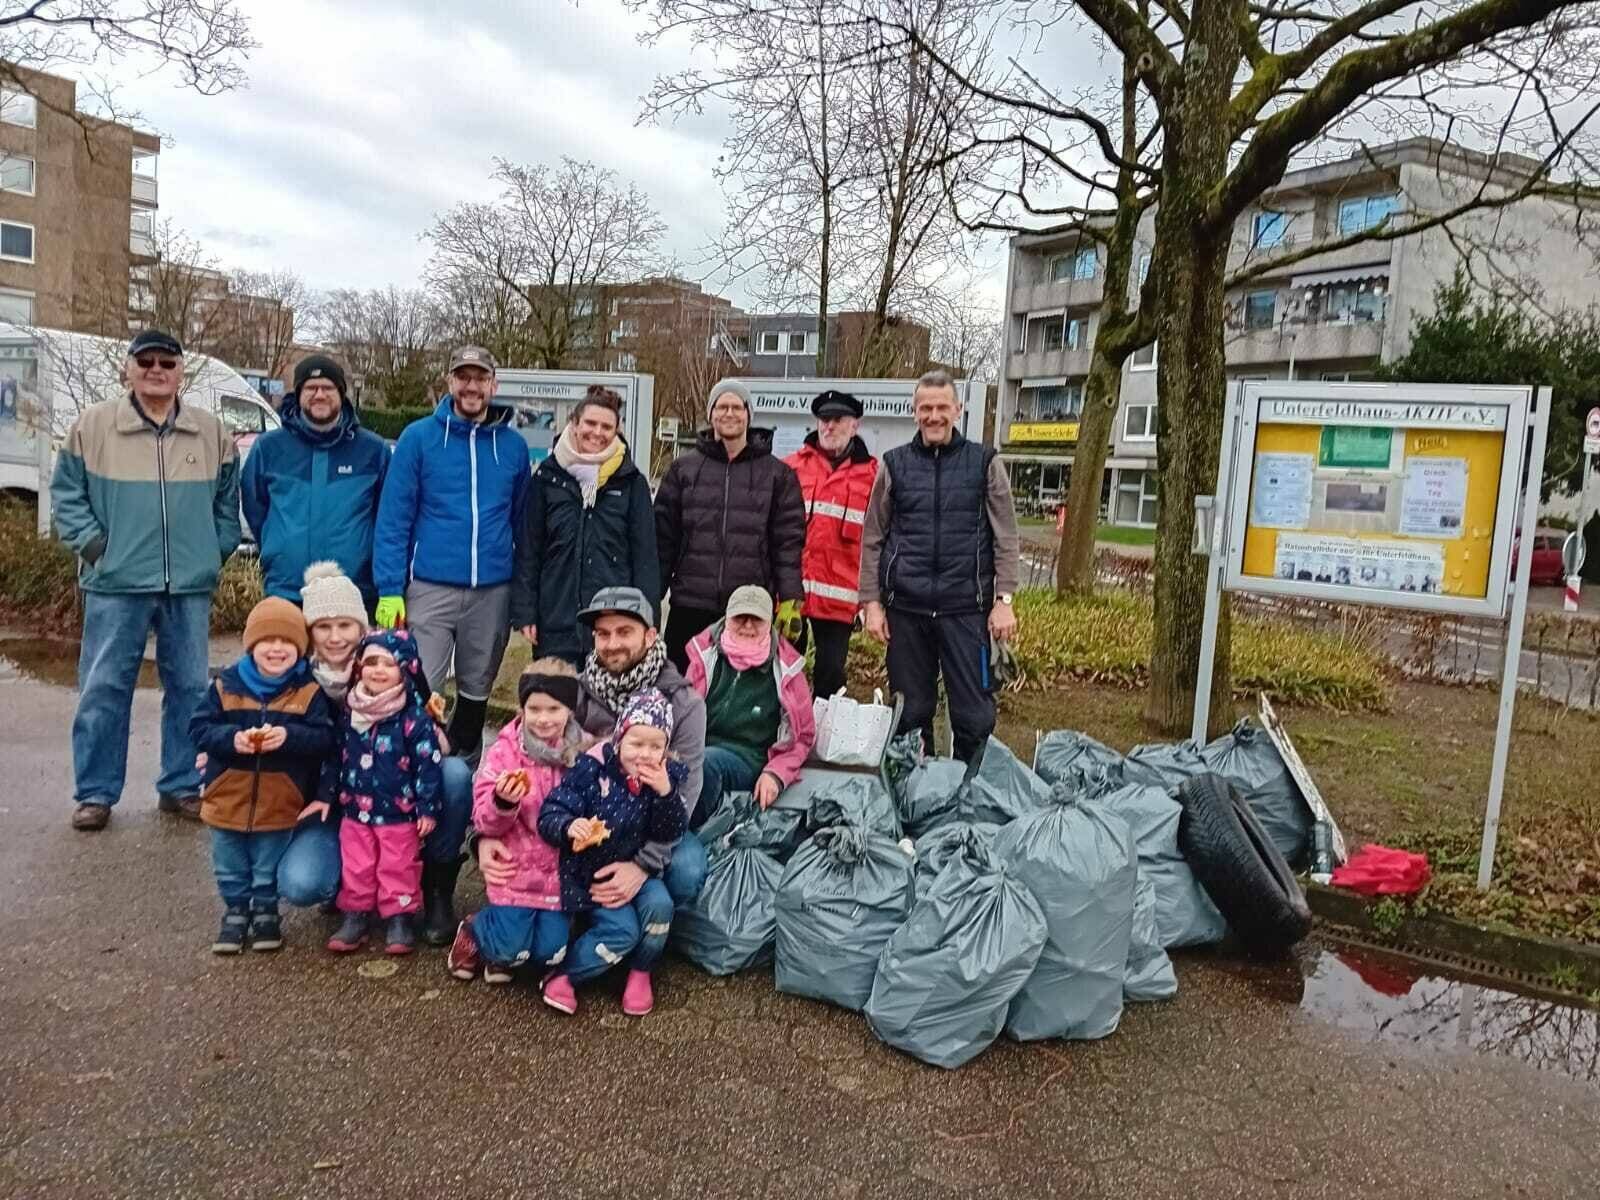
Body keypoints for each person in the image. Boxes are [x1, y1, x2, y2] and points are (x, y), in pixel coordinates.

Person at [50, 329, 242, 832]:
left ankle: (180, 784)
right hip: (115, 584)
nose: (157, 370)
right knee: (104, 688)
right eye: (146, 361)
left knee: (190, 689)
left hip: (188, 585)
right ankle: (95, 792)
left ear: (181, 372)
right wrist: (97, 549)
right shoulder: (93, 427)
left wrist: (215, 549)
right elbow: (66, 496)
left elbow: (228, 500)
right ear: (129, 368)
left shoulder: (210, 431)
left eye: (167, 363)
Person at [275, 562, 476, 947]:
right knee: (303, 882)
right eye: (323, 626)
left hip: (396, 798)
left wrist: (434, 740)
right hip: (332, 800)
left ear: (361, 627)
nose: (335, 637)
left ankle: (435, 887)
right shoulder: (296, 679)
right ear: (309, 632)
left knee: (451, 774)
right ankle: (349, 894)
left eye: (345, 625)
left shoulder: (389, 663)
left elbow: (428, 732)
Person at [475, 586, 709, 913]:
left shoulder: (684, 703)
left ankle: (650, 924)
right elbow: (518, 749)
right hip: (580, 824)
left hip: (653, 824)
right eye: (603, 633)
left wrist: (642, 865)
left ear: (651, 634)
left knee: (687, 872)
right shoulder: (576, 690)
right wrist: (483, 835)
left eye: (624, 632)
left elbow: (685, 792)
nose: (612, 644)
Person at [371, 345, 531, 759]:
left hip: (492, 590)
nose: (471, 386)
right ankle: (416, 773)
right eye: (464, 377)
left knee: (476, 693)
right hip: (430, 586)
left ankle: (465, 785)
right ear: (450, 382)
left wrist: (524, 594)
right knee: (420, 686)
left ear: (493, 385)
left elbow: (522, 523)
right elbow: (394, 519)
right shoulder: (418, 438)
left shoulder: (512, 447)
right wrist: (390, 587)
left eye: (480, 378)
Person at [859, 370, 1021, 765]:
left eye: (942, 407)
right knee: (910, 714)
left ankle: (972, 793)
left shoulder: (984, 463)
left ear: (957, 410)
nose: (933, 416)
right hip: (907, 612)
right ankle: (919, 789)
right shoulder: (894, 465)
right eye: (925, 408)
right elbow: (872, 536)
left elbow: (1006, 536)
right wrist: (872, 603)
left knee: (974, 715)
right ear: (914, 412)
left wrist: (1004, 600)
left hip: (967, 611)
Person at [190, 597, 339, 954]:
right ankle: (235, 913)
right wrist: (230, 740)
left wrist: (289, 738)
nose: (277, 649)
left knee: (267, 865)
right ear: (251, 645)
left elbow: (325, 738)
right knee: (229, 864)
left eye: (287, 642)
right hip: (226, 797)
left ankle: (267, 913)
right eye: (267, 641)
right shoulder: (225, 686)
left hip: (279, 800)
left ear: (300, 649)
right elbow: (199, 727)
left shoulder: (308, 692)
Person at [536, 688, 686, 1017]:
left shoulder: (665, 780)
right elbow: (551, 811)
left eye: (655, 746)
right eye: (636, 744)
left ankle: (641, 971)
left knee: (661, 906)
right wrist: (568, 826)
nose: (645, 754)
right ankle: (566, 976)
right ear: (619, 739)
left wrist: (665, 794)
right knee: (623, 931)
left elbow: (672, 832)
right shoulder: (593, 770)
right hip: (593, 872)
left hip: (639, 868)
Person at [449, 660, 592, 985]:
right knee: (511, 951)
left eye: (553, 708)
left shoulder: (584, 753)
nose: (543, 719)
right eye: (534, 708)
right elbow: (483, 817)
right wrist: (503, 802)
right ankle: (476, 930)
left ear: (569, 709)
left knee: (551, 953)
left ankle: (511, 941)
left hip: (558, 876)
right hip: (516, 869)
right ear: (522, 708)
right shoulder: (505, 753)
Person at [654, 379, 805, 669]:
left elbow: (787, 543)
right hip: (690, 602)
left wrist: (790, 598)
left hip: (748, 606)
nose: (729, 413)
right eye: (722, 406)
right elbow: (663, 539)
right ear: (711, 414)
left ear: (749, 415)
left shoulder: (778, 475)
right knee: (683, 687)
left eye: (737, 406)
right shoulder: (683, 470)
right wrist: (652, 597)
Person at [315, 629, 443, 956]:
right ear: (359, 666)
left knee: (397, 864)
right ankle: (355, 914)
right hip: (355, 808)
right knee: (357, 863)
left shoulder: (413, 717)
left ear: (405, 669)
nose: (378, 670)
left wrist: (427, 808)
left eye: (389, 663)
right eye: (371, 662)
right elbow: (335, 755)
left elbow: (428, 764)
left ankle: (399, 915)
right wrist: (329, 793)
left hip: (399, 812)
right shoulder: (350, 710)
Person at [511, 385, 658, 665]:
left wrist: (649, 621)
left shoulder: (631, 483)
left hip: (612, 624)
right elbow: (530, 549)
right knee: (556, 705)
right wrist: (525, 611)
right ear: (574, 424)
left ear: (617, 431)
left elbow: (645, 559)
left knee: (605, 707)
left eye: (607, 426)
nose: (598, 432)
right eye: (591, 423)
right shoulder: (547, 478)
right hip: (554, 620)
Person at [241, 354, 389, 610]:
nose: (319, 394)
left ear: (342, 393)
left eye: (328, 388)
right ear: (298, 393)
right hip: (286, 589)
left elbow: (386, 517)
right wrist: (278, 549)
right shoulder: (269, 448)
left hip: (352, 594)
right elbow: (255, 507)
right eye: (311, 387)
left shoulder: (373, 451)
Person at [683, 585, 816, 823]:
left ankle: (679, 833)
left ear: (770, 622)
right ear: (726, 618)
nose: (747, 625)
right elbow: (681, 713)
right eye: (739, 618)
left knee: (707, 763)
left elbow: (803, 737)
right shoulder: (705, 656)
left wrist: (777, 773)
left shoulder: (788, 671)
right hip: (695, 750)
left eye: (756, 619)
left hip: (748, 760)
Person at [783, 389, 879, 700]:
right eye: (824, 419)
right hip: (791, 596)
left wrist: (870, 600)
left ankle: (823, 744)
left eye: (838, 420)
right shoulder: (791, 468)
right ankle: (785, 737)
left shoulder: (874, 477)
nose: (829, 426)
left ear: (855, 425)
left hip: (839, 599)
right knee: (784, 672)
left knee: (831, 677)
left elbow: (879, 540)